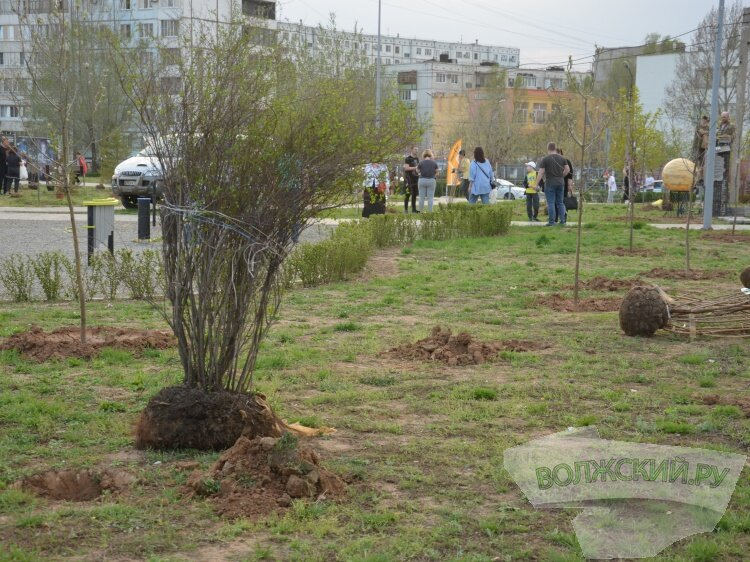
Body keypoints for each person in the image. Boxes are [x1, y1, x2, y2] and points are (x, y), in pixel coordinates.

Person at [536, 142, 569, 226]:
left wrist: (536, 184)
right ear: (555, 148)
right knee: (560, 203)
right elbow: (567, 170)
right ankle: (563, 221)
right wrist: (561, 175)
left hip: (550, 183)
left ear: (548, 149)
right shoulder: (562, 158)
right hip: (561, 183)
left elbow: (541, 172)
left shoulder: (545, 159)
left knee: (551, 203)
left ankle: (551, 222)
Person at [556, 148, 574, 223]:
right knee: (554, 202)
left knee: (562, 201)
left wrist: (569, 185)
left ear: (561, 153)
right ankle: (555, 217)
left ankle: (563, 218)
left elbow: (570, 174)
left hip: (564, 184)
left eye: (558, 153)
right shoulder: (553, 161)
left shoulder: (566, 161)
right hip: (554, 183)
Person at [403, 146, 420, 214]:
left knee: (415, 194)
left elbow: (418, 169)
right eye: (415, 149)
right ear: (411, 150)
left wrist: (419, 171)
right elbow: (406, 168)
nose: (416, 151)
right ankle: (406, 209)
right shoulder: (408, 159)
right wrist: (415, 168)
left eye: (417, 149)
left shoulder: (417, 158)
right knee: (408, 194)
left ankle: (414, 209)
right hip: (409, 179)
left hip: (416, 178)